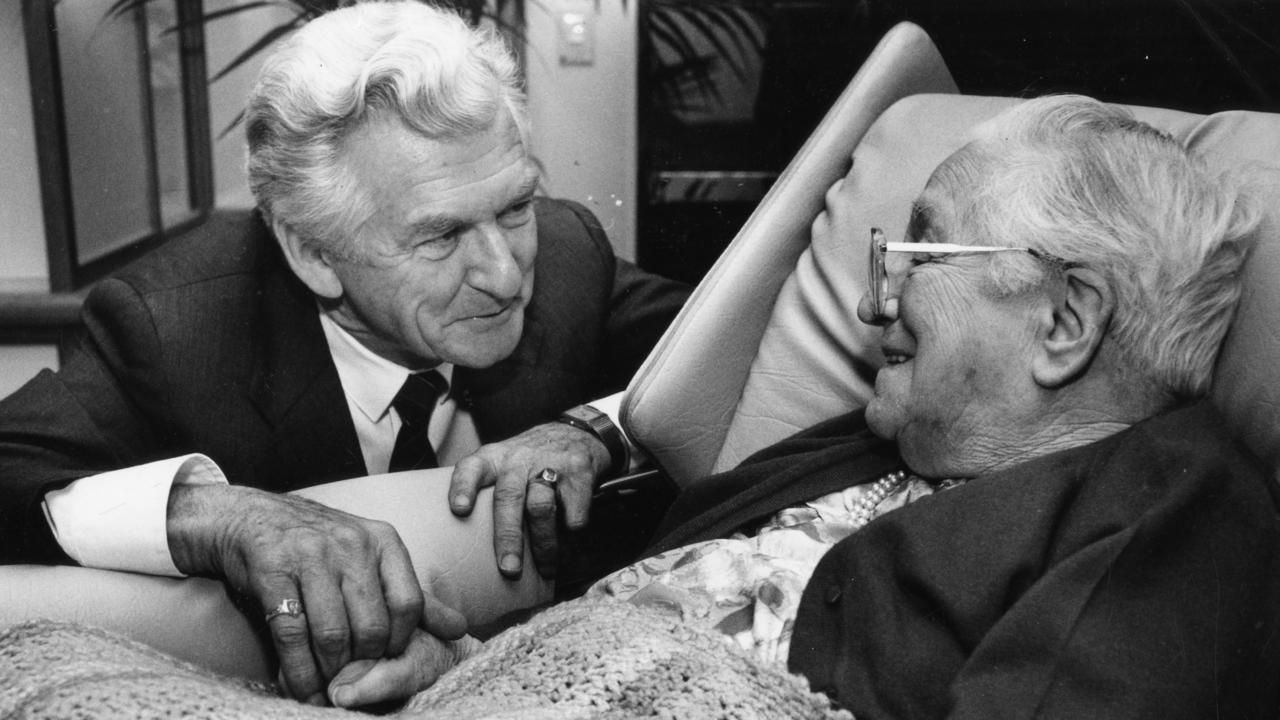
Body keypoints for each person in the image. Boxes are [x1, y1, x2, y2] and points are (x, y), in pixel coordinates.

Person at [320, 95, 1280, 717]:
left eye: (917, 255)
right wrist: (475, 676)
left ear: (1066, 321)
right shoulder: (874, 441)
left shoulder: (1175, 513)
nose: (872, 302)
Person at [0, 0, 687, 706]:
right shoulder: (174, 324)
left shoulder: (571, 253)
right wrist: (222, 519)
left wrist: (597, 432)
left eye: (515, 208)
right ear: (313, 254)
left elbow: (732, 361)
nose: (507, 274)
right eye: (441, 236)